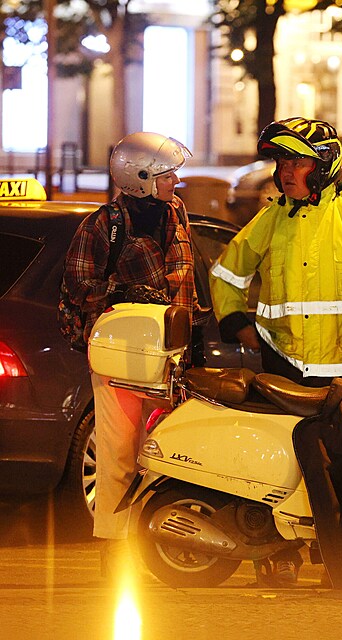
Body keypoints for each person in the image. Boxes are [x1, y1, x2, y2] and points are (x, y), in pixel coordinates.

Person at [210, 117, 342, 585]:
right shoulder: (273, 216)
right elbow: (225, 275)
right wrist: (240, 325)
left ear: (323, 165)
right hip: (284, 370)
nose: (285, 172)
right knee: (281, 470)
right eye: (281, 162)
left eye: (295, 161)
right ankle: (277, 554)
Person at [62, 131, 207, 579]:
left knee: (168, 450)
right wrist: (122, 291)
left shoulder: (175, 213)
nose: (175, 182)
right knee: (118, 453)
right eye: (167, 175)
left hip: (169, 355)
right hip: (123, 358)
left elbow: (186, 281)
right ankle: (113, 543)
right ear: (139, 177)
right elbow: (79, 287)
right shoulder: (102, 225)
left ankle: (154, 541)